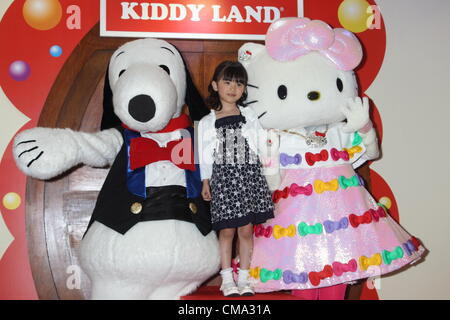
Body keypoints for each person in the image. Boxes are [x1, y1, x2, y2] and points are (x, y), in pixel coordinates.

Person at [197, 61, 274, 297]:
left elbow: (262, 143)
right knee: (227, 230)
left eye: (239, 83)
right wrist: (205, 180)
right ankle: (227, 279)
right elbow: (203, 153)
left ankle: (245, 278)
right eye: (227, 82)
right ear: (215, 85)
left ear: (244, 89)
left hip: (249, 176)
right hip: (223, 179)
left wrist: (269, 170)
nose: (233, 88)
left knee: (246, 230)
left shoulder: (249, 114)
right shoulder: (207, 120)